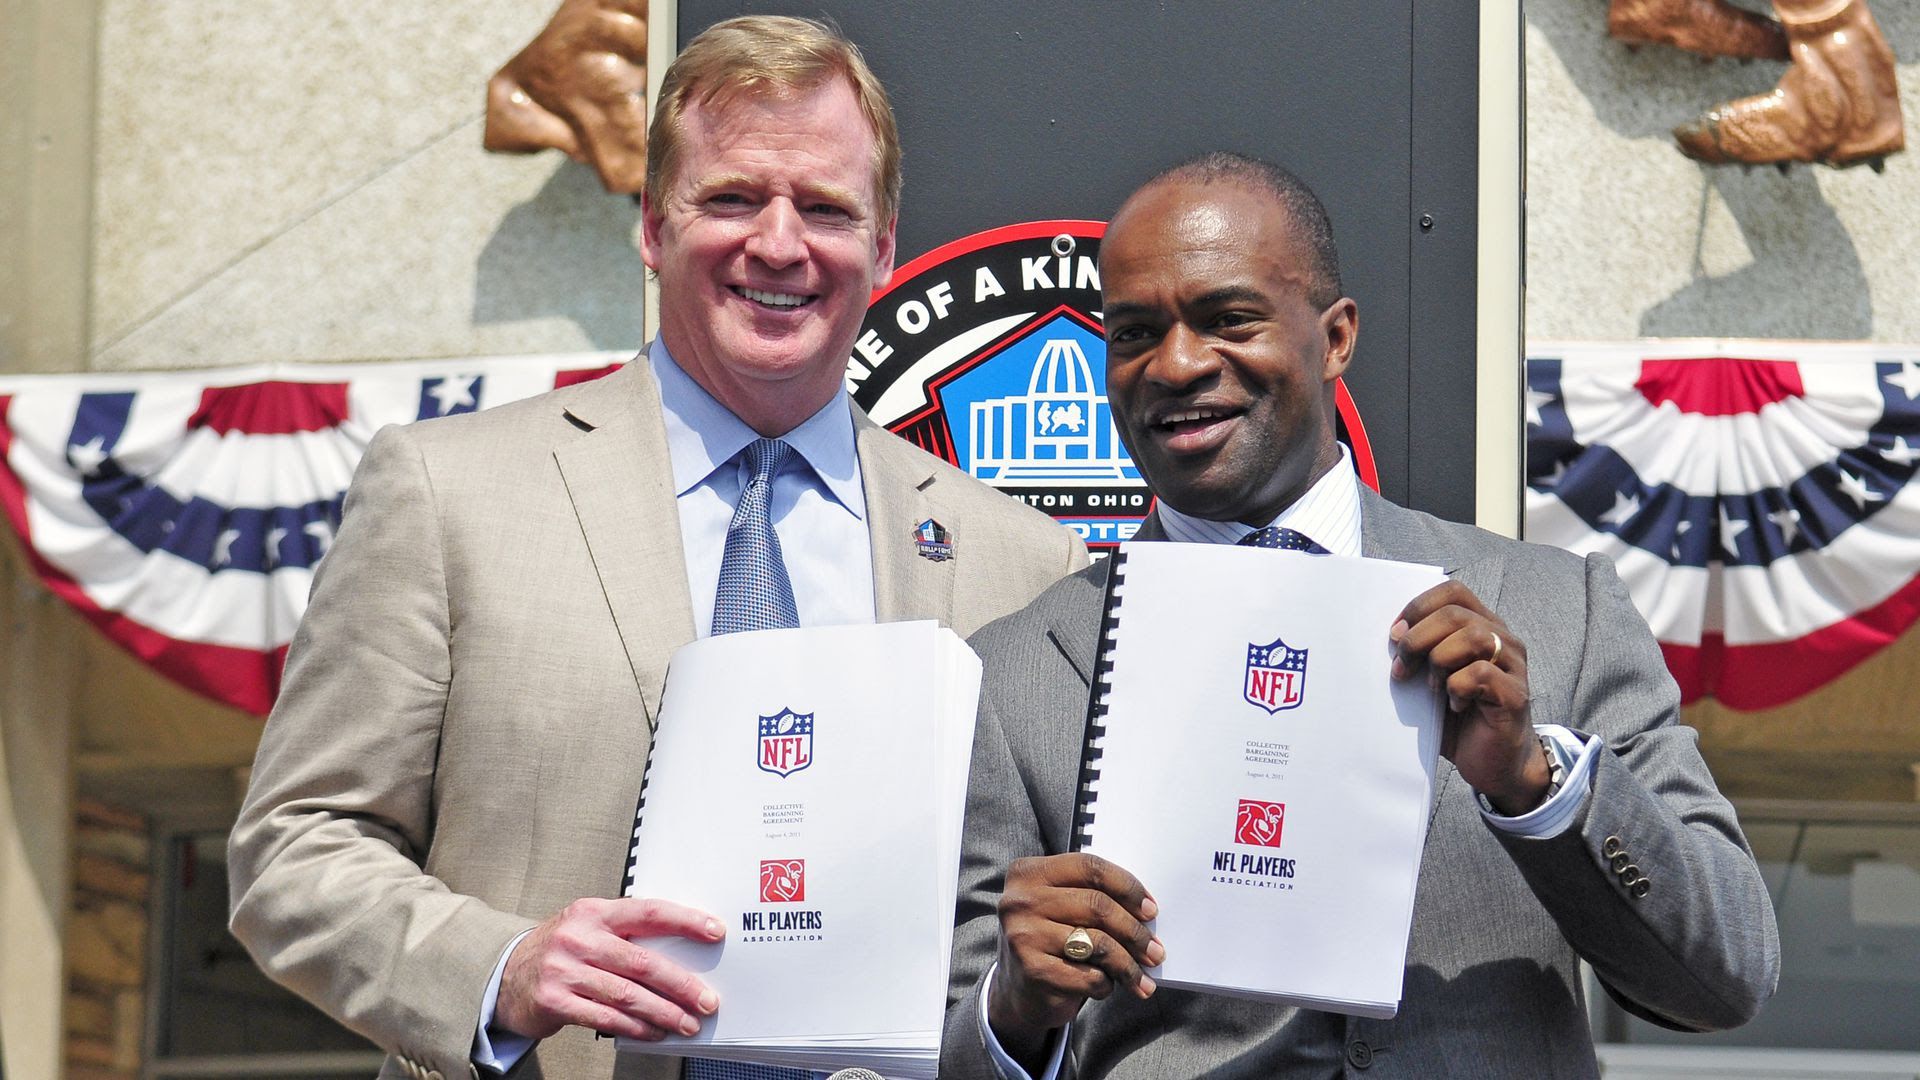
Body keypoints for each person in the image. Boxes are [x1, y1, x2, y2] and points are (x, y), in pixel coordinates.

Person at [227, 16, 1087, 1080]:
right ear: (651, 227)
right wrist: (500, 968)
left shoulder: (1022, 560)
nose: (779, 244)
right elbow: (294, 848)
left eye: (826, 208)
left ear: (886, 246)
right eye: (731, 198)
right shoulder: (447, 494)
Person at [941, 152, 1779, 1080]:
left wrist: (1538, 784)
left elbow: (1725, 975)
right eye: (1135, 333)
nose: (1175, 365)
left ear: (1336, 338)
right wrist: (1014, 1012)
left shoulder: (1558, 608)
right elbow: (952, 1047)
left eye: (1228, 319)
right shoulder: (1014, 673)